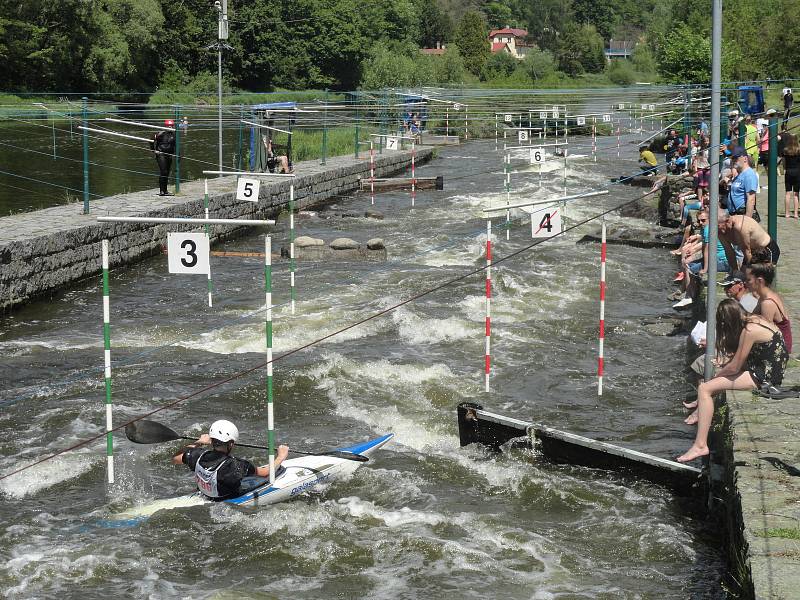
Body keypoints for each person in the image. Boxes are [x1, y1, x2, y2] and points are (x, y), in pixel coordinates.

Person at [677, 299, 789, 463]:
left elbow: (735, 367)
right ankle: (700, 407)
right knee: (713, 385)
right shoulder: (755, 319)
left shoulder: (749, 330)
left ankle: (700, 445)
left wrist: (716, 378)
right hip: (767, 368)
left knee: (705, 389)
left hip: (764, 377)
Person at [172, 419, 289, 500]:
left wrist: (199, 442)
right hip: (225, 498)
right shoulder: (236, 465)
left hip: (205, 494)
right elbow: (265, 473)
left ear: (211, 440)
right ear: (231, 444)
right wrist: (280, 457)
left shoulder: (198, 455)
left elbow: (176, 458)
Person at [747, 262, 793, 353]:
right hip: (774, 344)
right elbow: (753, 316)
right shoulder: (765, 296)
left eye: (748, 280)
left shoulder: (767, 303)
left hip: (778, 349)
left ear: (759, 281)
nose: (745, 283)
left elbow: (765, 332)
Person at [726, 148, 759, 219]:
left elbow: (751, 199)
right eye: (732, 159)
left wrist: (747, 220)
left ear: (745, 159)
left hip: (742, 215)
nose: (733, 161)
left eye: (736, 158)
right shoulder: (739, 174)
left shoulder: (749, 175)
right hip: (734, 214)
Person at [150, 119, 176, 196]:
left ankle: (165, 191)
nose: (170, 127)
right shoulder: (160, 134)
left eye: (171, 125)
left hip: (169, 155)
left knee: (167, 172)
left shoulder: (174, 135)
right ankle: (162, 191)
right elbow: (151, 140)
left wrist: (178, 154)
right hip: (161, 154)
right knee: (163, 171)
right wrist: (153, 150)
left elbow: (176, 145)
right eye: (169, 126)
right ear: (166, 126)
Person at [780, 131, 800, 218]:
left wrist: (785, 169)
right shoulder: (799, 150)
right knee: (796, 194)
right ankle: (795, 214)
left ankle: (787, 213)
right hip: (797, 172)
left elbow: (784, 163)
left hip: (788, 171)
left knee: (787, 193)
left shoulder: (785, 150)